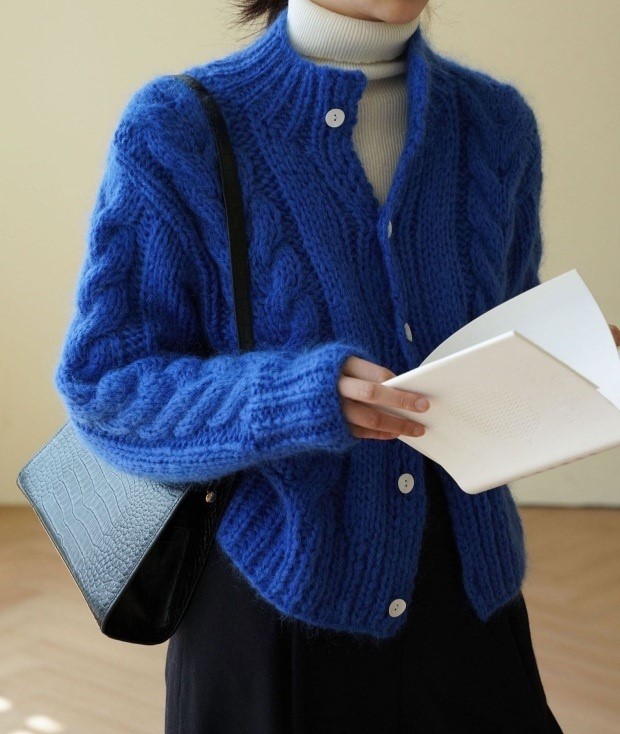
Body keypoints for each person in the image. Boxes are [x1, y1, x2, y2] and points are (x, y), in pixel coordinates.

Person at [54, 0, 619, 731]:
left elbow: (500, 332)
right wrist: (296, 397)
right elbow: (106, 387)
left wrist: (573, 359)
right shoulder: (180, 126)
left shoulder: (495, 122)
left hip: (468, 594)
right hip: (276, 600)